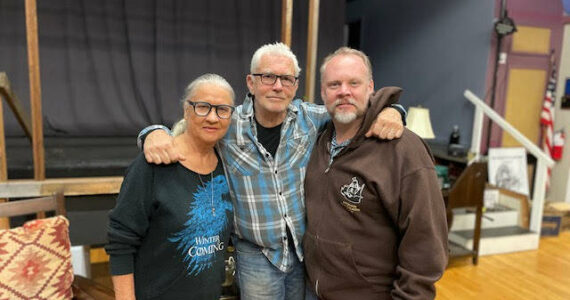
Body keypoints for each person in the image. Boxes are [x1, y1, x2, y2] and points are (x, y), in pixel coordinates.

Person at [139, 43, 406, 300]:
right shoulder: (226, 123)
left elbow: (353, 109)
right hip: (256, 254)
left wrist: (394, 110)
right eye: (268, 77)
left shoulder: (311, 118)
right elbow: (184, 128)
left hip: (305, 252)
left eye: (286, 79)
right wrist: (153, 133)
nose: (277, 86)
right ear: (251, 83)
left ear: (295, 86)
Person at [303, 47, 448, 300]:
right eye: (334, 84)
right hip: (314, 292)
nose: (344, 91)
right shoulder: (317, 141)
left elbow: (426, 245)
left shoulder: (403, 150)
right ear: (323, 93)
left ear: (370, 87)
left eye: (354, 83)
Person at [105, 74, 236, 300]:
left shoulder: (226, 163)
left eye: (222, 109)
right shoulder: (152, 166)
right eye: (203, 107)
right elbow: (120, 244)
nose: (213, 118)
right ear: (186, 109)